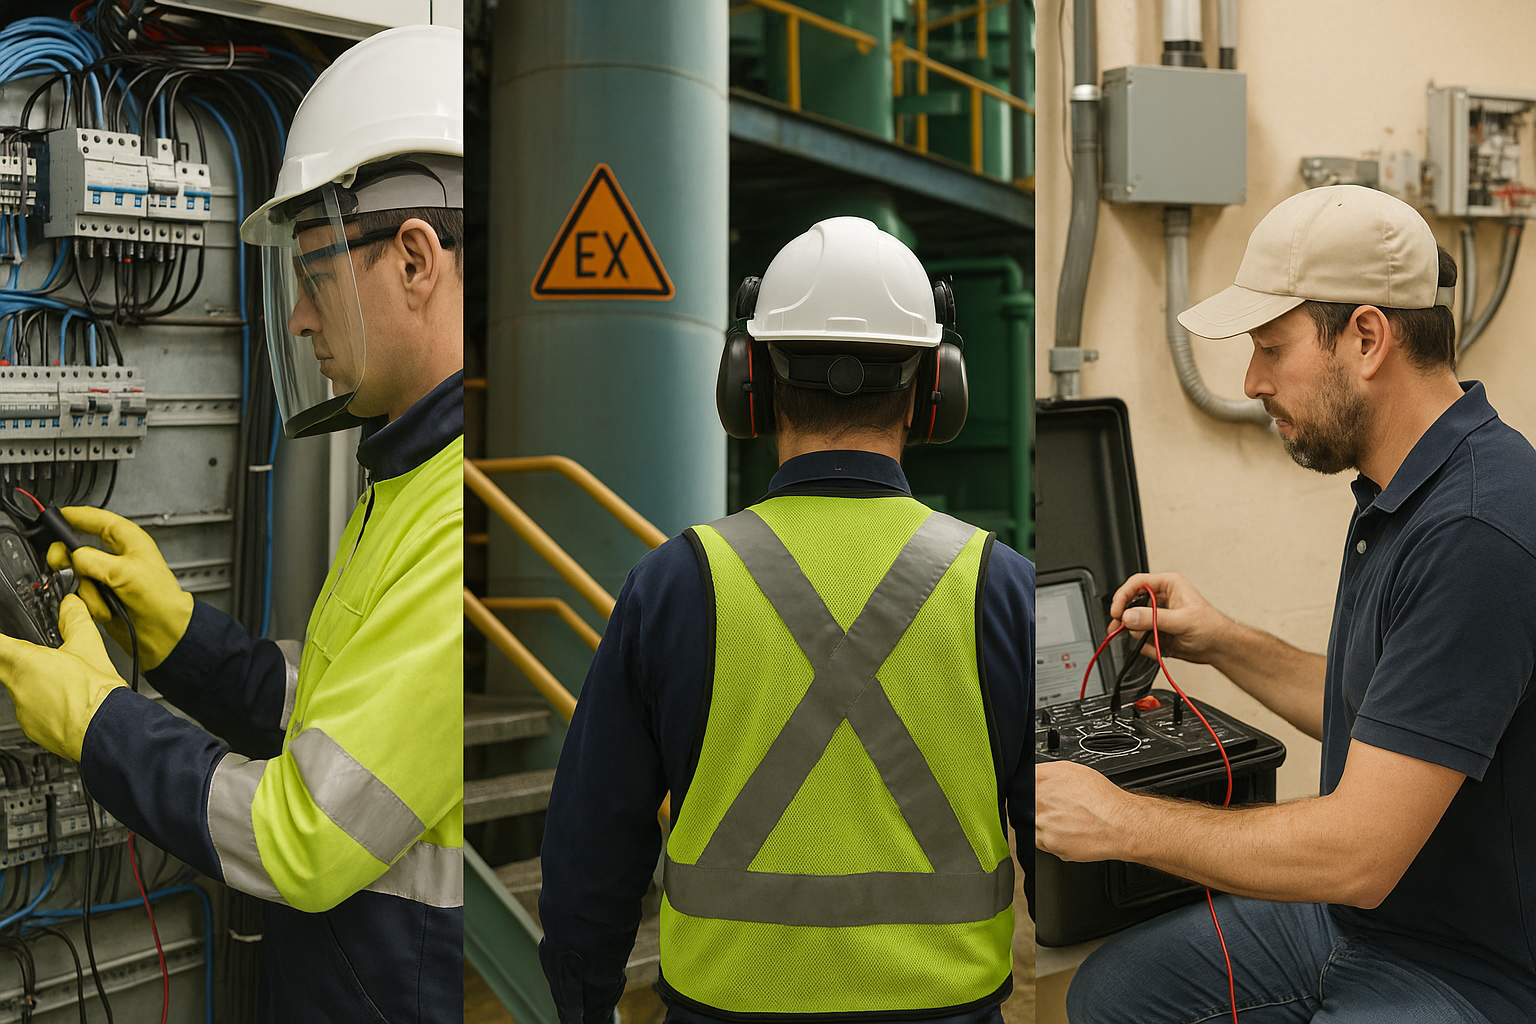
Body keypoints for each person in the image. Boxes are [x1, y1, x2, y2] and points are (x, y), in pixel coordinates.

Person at [0, 25, 465, 1023]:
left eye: (314, 277)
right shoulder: (412, 470)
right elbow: (340, 712)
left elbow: (302, 835)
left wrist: (96, 722)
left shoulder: (463, 510)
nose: (297, 319)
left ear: (416, 260)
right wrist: (182, 639)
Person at [1038, 184, 1536, 1024]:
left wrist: (1120, 820)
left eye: (1272, 347)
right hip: (1358, 921)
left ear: (1367, 337)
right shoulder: (1401, 491)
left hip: (1466, 969)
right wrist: (1225, 641)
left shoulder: (1478, 530)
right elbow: (1384, 717)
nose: (1251, 380)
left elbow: (1360, 853)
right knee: (1109, 996)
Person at [538, 216, 1034, 1021]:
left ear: (751, 385)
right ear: (934, 389)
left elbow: (588, 857)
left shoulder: (671, 585)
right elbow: (1065, 852)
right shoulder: (1002, 588)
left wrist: (584, 1003)